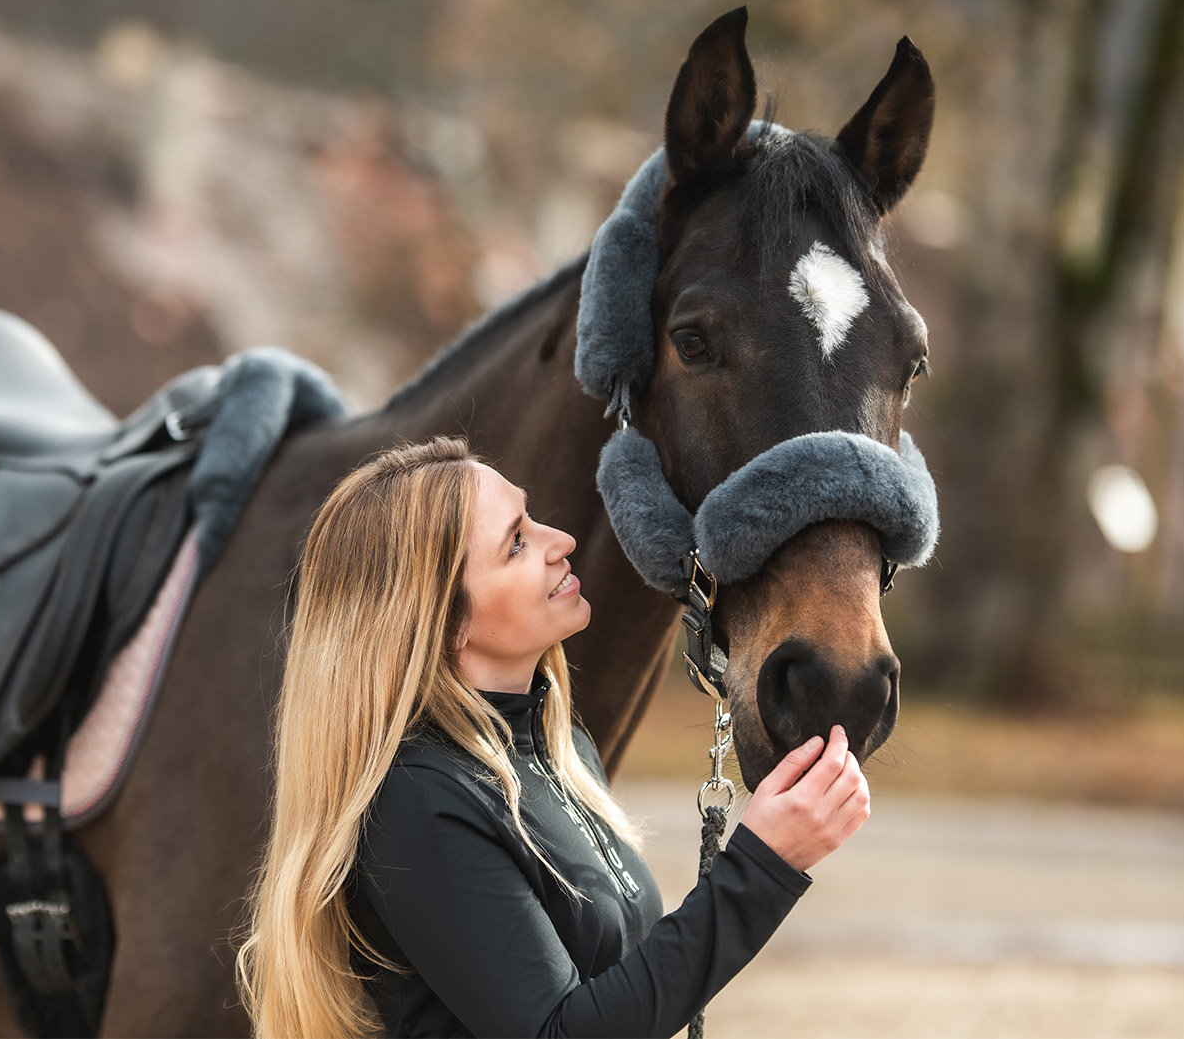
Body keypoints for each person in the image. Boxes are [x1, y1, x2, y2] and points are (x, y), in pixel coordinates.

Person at [235, 437, 870, 1038]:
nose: (561, 541)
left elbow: (623, 993)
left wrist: (763, 854)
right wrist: (762, 865)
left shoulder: (557, 746)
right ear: (443, 621)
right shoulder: (416, 802)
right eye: (515, 543)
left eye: (531, 519)